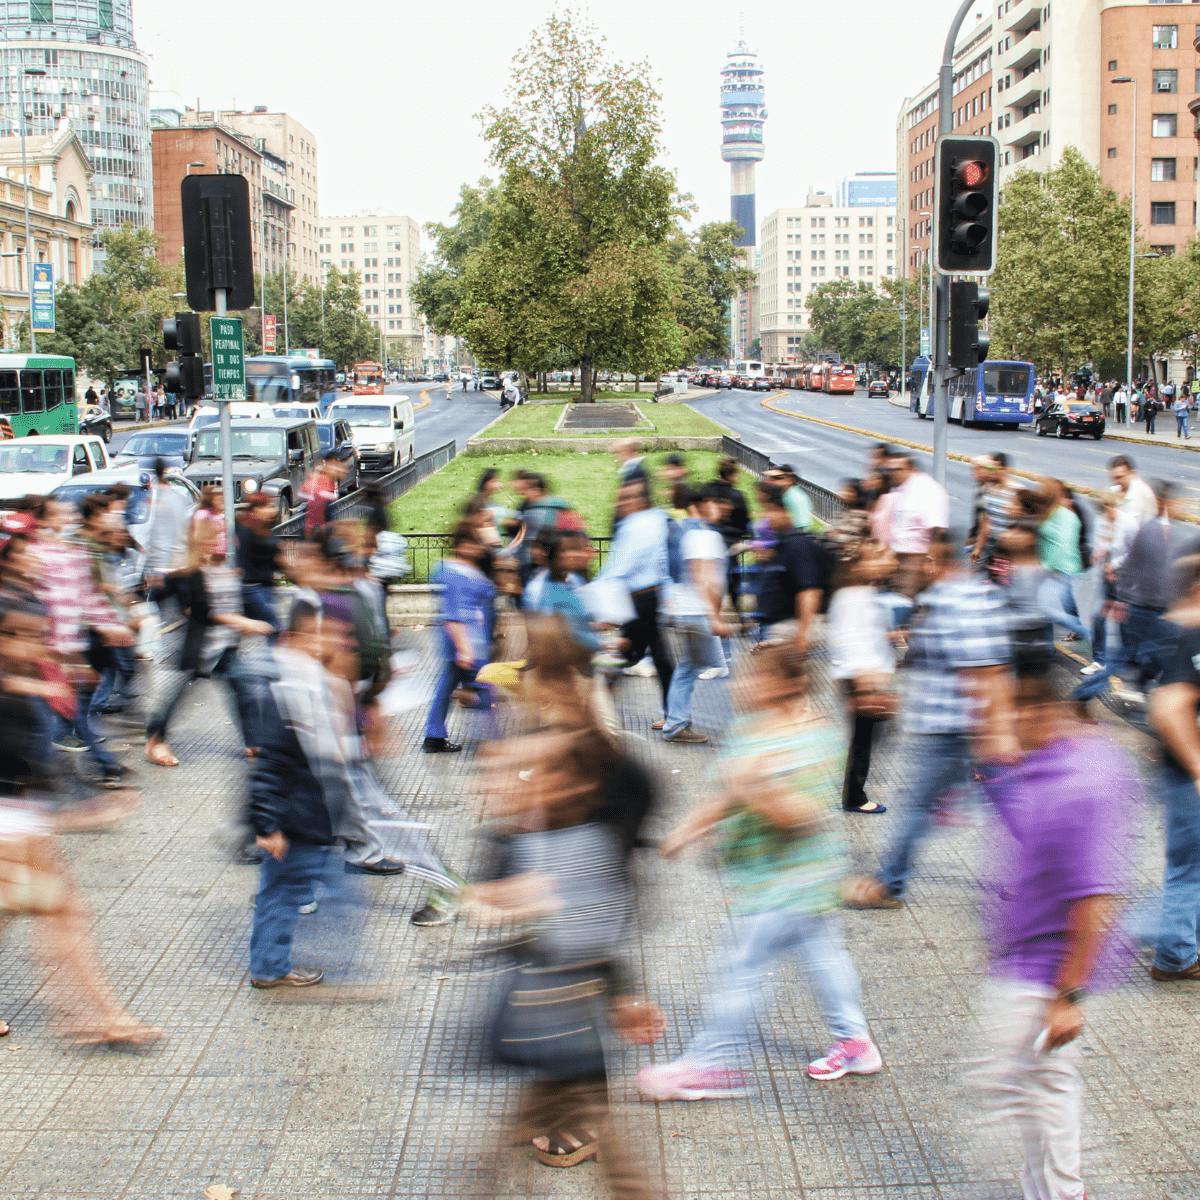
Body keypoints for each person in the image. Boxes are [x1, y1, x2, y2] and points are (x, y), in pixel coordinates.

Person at [638, 644, 881, 1101]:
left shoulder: (814, 739)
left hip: (791, 879)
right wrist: (688, 830)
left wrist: (755, 787)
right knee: (824, 954)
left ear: (787, 684)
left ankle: (712, 1065)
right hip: (776, 876)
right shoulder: (752, 728)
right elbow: (730, 793)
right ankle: (856, 1043)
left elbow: (803, 815)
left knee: (741, 967)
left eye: (754, 678)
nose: (741, 684)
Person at [975, 650, 1135, 1200]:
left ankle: (1063, 1192)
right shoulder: (1055, 763)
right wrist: (996, 781)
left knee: (1002, 1087)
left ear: (1037, 709)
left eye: (1005, 710)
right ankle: (1061, 1192)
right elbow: (1032, 834)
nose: (997, 723)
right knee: (1048, 1087)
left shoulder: (1080, 783)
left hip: (1045, 967)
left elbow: (1096, 899)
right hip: (1032, 956)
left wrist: (1069, 993)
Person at [845, 531, 1014, 908]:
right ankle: (1040, 878)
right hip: (951, 728)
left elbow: (986, 670)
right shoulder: (950, 597)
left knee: (918, 806)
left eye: (916, 561)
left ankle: (890, 885)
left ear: (934, 563)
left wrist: (994, 733)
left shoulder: (958, 600)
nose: (910, 568)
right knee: (1005, 805)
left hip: (954, 730)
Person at [144, 520, 271, 768]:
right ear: (200, 542)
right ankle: (155, 739)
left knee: (242, 688)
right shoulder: (191, 572)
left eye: (220, 537)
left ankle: (253, 741)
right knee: (179, 695)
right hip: (200, 646)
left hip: (224, 646)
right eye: (213, 539)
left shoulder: (223, 567)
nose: (218, 543)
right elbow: (203, 611)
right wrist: (244, 622)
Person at [1148, 555, 1200, 982]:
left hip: (1178, 772)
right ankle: (1175, 957)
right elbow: (1168, 707)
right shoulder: (1194, 635)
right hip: (1188, 776)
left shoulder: (1177, 627)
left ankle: (1181, 945)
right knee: (1189, 867)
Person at [827, 539, 896, 814]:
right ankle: (854, 797)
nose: (887, 560)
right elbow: (850, 641)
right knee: (863, 742)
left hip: (865, 678)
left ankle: (854, 794)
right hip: (860, 680)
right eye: (878, 557)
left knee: (865, 739)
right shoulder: (855, 597)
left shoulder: (859, 593)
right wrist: (865, 686)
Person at [661, 486, 730, 746]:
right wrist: (714, 616)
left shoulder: (685, 531)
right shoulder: (702, 535)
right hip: (696, 611)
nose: (720, 509)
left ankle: (676, 721)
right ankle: (676, 724)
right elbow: (703, 577)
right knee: (695, 668)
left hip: (686, 609)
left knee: (688, 667)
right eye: (714, 503)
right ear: (700, 505)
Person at [601, 480, 674, 722]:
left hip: (641, 600)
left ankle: (673, 716)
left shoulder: (638, 525)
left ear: (640, 500)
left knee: (635, 656)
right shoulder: (654, 521)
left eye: (626, 499)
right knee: (645, 657)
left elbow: (619, 566)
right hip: (642, 599)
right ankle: (673, 716)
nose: (620, 504)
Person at [422, 522, 494, 753]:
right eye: (475, 544)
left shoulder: (454, 570)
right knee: (484, 688)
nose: (480, 549)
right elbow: (455, 613)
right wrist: (465, 648)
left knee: (447, 686)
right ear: (462, 545)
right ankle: (490, 741)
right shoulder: (457, 573)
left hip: (465, 642)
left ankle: (434, 735)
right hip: (468, 644)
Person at [754, 492, 826, 653]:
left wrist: (803, 632)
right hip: (778, 628)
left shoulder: (798, 545)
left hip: (789, 628)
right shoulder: (782, 544)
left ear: (786, 512)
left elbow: (810, 591)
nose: (766, 517)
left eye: (770, 511)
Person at [885, 452, 949, 596]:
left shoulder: (927, 489)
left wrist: (930, 561)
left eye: (897, 469)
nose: (892, 474)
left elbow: (937, 531)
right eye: (890, 470)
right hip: (898, 557)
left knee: (908, 599)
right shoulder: (900, 489)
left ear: (911, 469)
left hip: (916, 559)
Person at [236, 492, 281, 635]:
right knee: (273, 627)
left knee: (268, 627)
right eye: (268, 506)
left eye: (273, 506)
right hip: (251, 587)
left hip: (266, 587)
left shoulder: (265, 529)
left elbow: (275, 562)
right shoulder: (245, 530)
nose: (273, 510)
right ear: (256, 509)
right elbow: (240, 559)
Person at [301, 452, 345, 540]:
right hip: (318, 533)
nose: (341, 470)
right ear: (330, 463)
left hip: (319, 532)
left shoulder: (328, 481)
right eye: (337, 466)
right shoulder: (320, 480)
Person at [1108, 455, 1157, 527]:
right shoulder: (1116, 489)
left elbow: (1132, 526)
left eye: (1120, 477)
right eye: (1114, 478)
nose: (1116, 482)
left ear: (1132, 474)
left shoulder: (1139, 491)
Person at [764, 464, 814, 532]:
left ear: (790, 479)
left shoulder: (792, 497)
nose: (771, 481)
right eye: (771, 478)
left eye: (777, 478)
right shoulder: (788, 493)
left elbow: (800, 526)